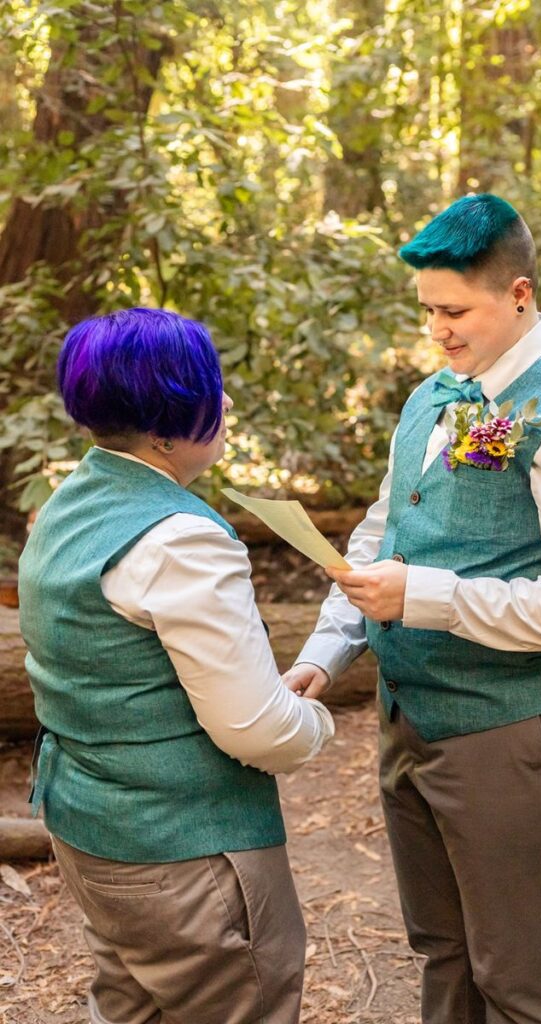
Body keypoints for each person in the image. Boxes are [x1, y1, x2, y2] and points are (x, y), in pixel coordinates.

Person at [283, 194, 541, 1023]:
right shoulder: (438, 394)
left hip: (520, 727)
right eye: (426, 311)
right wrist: (326, 649)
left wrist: (426, 597)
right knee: (442, 953)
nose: (437, 330)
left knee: (517, 978)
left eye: (454, 310)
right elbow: (386, 526)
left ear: (518, 295)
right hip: (415, 715)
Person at [19, 307, 334, 1024]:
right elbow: (254, 730)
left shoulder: (69, 502)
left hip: (90, 831)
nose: (225, 401)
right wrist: (312, 723)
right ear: (164, 427)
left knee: (131, 1003)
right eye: (208, 388)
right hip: (184, 855)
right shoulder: (179, 539)